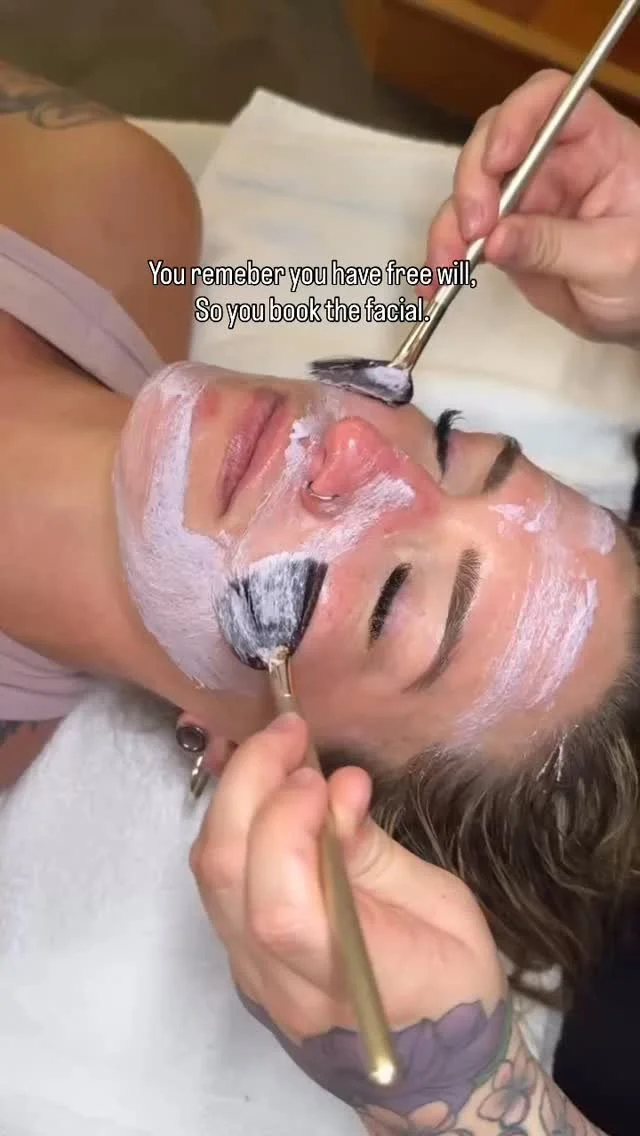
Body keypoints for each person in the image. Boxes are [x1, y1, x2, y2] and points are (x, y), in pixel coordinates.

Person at [0, 58, 637, 1134]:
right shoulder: (109, 191)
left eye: (392, 600)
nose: (350, 446)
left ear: (265, 757)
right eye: (449, 447)